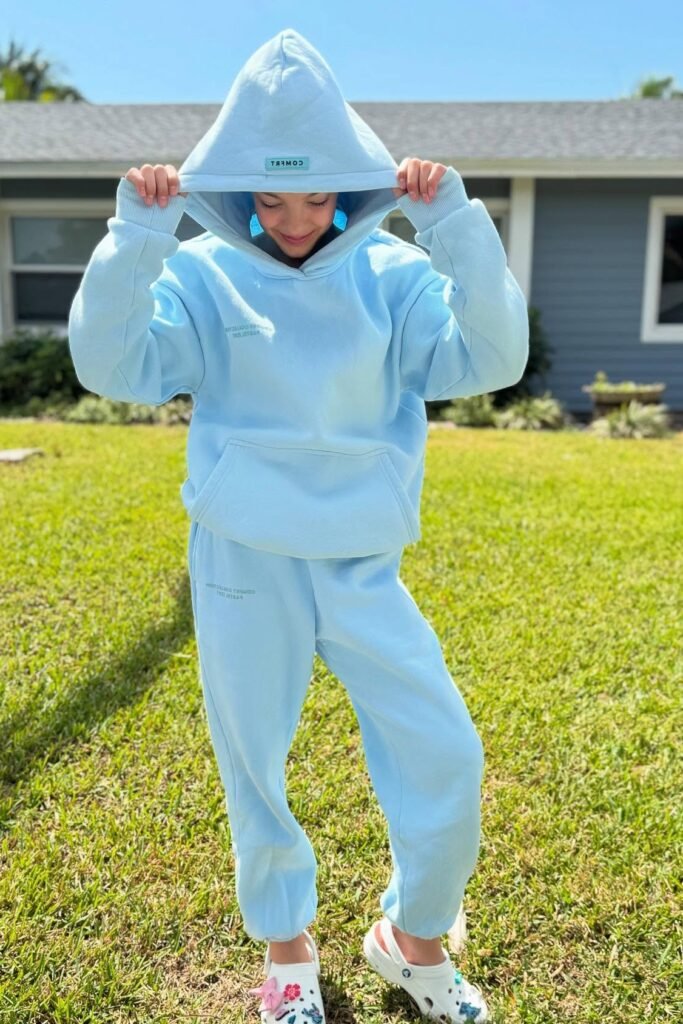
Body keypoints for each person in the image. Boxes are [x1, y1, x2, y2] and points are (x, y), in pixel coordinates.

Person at [68, 27, 528, 1024]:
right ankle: (287, 948)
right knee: (253, 759)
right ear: (235, 189)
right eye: (267, 199)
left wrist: (452, 226)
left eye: (315, 197)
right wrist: (137, 240)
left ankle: (412, 941)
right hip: (242, 557)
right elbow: (111, 368)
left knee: (443, 750)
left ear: (349, 186)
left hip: (360, 559)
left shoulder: (394, 275)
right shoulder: (199, 272)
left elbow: (492, 358)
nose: (291, 221)